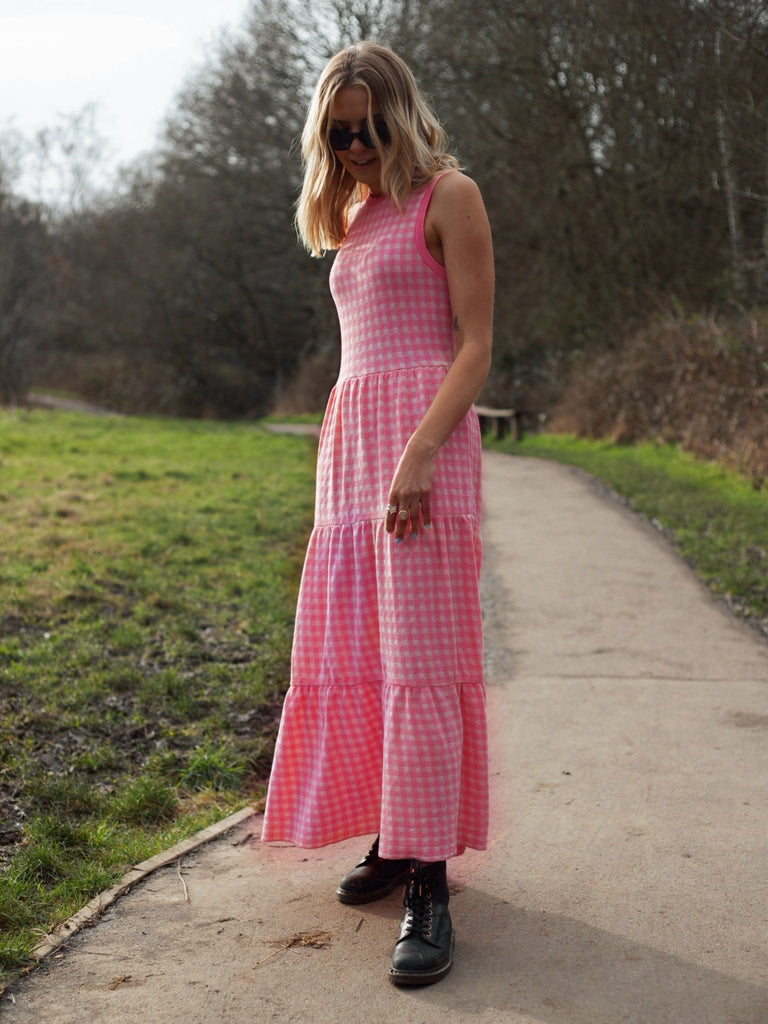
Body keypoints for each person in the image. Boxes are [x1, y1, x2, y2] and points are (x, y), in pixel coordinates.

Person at [261, 40, 494, 986]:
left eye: (366, 127)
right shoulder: (353, 212)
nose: (354, 145)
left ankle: (430, 883)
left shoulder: (453, 198)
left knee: (424, 662)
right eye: (337, 131)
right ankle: (399, 837)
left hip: (419, 450)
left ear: (399, 114)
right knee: (363, 651)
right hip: (352, 451)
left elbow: (474, 346)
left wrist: (420, 455)